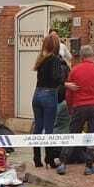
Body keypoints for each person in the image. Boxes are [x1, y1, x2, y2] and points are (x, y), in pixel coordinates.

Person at [64, 49, 94, 176]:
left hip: (79, 106)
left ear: (81, 57)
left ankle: (63, 164)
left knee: (73, 134)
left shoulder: (74, 70)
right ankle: (89, 166)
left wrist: (70, 107)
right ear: (93, 56)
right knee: (93, 135)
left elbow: (69, 93)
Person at [30, 33, 69, 170]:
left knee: (38, 127)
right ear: (56, 46)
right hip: (49, 94)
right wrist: (65, 82)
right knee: (49, 129)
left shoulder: (41, 58)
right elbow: (56, 77)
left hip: (37, 94)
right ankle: (49, 158)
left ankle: (36, 158)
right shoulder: (55, 59)